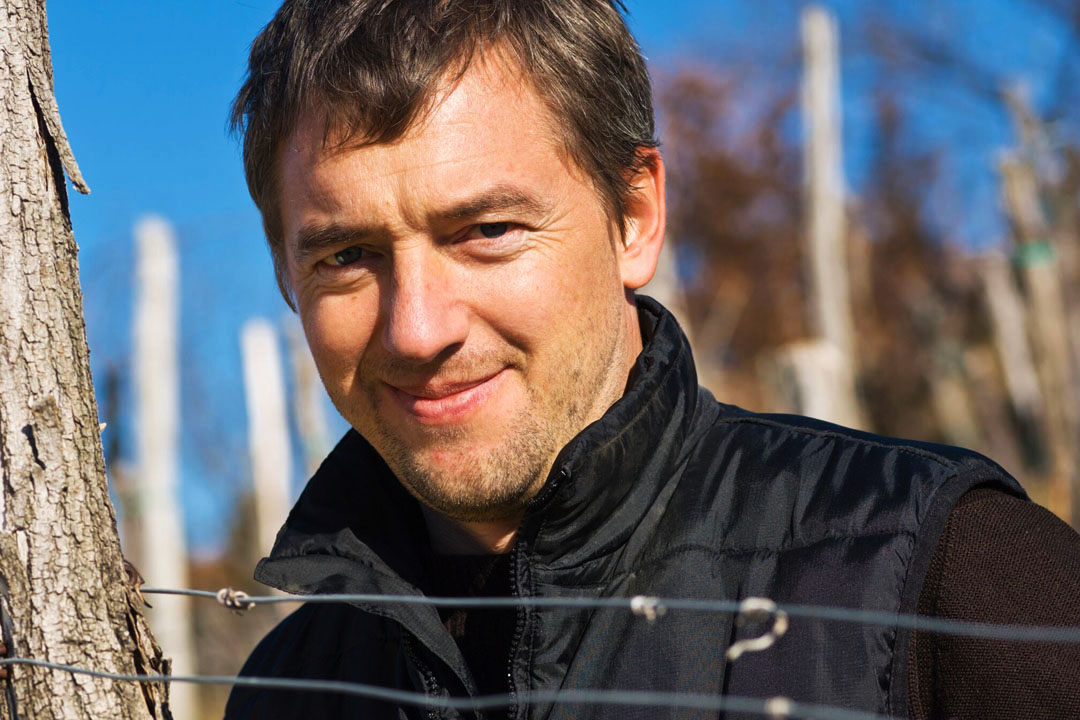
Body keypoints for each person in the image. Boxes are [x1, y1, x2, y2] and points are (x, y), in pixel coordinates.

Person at [223, 1, 1080, 718]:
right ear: (287, 275)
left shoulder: (946, 576)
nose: (416, 329)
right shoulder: (286, 693)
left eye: (486, 231)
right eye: (347, 256)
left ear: (633, 218)